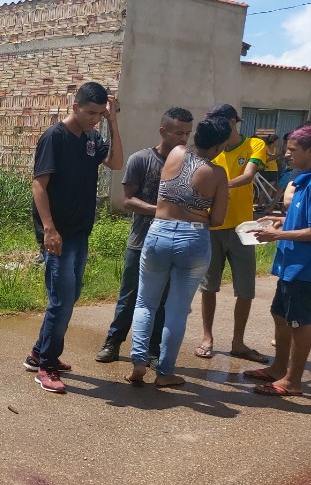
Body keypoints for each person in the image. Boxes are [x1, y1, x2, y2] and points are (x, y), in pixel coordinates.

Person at [26, 81, 123, 393]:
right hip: (58, 233)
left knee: (70, 295)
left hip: (81, 230)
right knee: (61, 300)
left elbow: (117, 163)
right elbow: (39, 185)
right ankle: (47, 366)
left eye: (99, 113)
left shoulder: (93, 138)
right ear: (75, 107)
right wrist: (49, 229)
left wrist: (113, 122)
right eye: (90, 112)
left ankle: (38, 353)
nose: (94, 118)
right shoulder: (55, 137)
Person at [125, 116, 231, 387]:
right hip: (193, 239)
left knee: (145, 302)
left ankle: (138, 363)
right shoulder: (218, 173)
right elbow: (218, 219)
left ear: (195, 136)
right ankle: (164, 373)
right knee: (176, 309)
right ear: (218, 146)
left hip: (159, 231)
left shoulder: (175, 153)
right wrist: (197, 215)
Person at [96, 108, 194, 366]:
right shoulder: (141, 159)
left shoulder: (190, 164)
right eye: (178, 132)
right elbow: (128, 200)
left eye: (188, 133)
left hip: (174, 242)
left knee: (163, 299)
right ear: (163, 131)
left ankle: (152, 348)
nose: (184, 138)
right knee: (130, 296)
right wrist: (163, 211)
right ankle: (113, 342)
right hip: (141, 241)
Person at [194, 103, 269, 363]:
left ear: (234, 122)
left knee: (245, 288)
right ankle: (207, 338)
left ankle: (238, 342)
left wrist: (219, 185)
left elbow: (248, 176)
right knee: (209, 286)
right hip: (213, 225)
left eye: (223, 124)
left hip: (243, 228)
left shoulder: (254, 145)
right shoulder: (212, 149)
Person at [244, 123, 311, 397]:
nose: (286, 155)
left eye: (293, 150)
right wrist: (279, 220)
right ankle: (278, 369)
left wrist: (277, 235)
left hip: (304, 270)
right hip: (290, 266)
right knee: (280, 314)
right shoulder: (302, 180)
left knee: (299, 323)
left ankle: (292, 381)